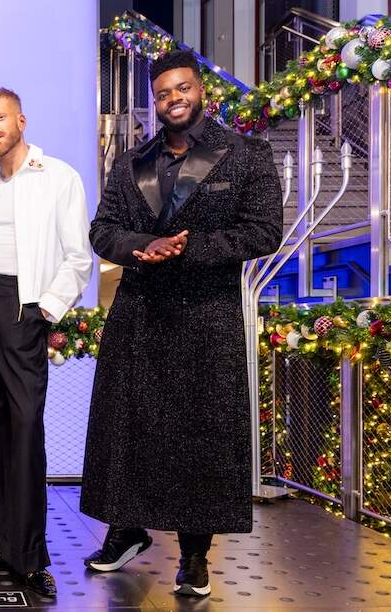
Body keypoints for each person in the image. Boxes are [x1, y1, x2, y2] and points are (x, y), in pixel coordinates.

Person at [80, 50, 282, 597]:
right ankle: (126, 531)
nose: (174, 99)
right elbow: (102, 231)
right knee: (130, 429)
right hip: (139, 315)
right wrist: (145, 244)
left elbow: (264, 232)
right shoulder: (131, 162)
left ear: (201, 92)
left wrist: (187, 250)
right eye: (164, 93)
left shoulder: (247, 154)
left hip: (207, 317)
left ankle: (194, 556)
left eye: (183, 88)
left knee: (201, 437)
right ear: (156, 100)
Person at [0, 87, 93, 599]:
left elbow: (78, 257)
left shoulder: (57, 175)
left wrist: (44, 309)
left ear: (21, 121)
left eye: (0, 118)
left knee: (25, 429)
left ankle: (29, 555)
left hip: (21, 305)